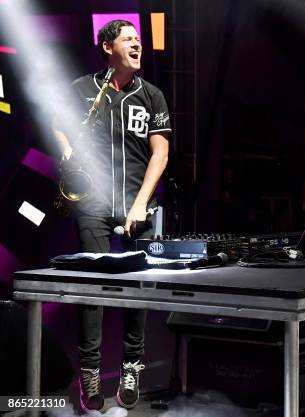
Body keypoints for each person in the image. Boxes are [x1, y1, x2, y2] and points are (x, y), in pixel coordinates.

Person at [53, 20, 171, 411]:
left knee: (138, 292)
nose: (138, 44)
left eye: (139, 40)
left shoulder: (152, 96)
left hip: (139, 205)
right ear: (107, 47)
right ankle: (89, 373)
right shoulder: (85, 90)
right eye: (128, 40)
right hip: (92, 204)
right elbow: (58, 121)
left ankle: (131, 368)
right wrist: (67, 149)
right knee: (92, 292)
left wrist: (142, 203)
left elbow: (161, 153)